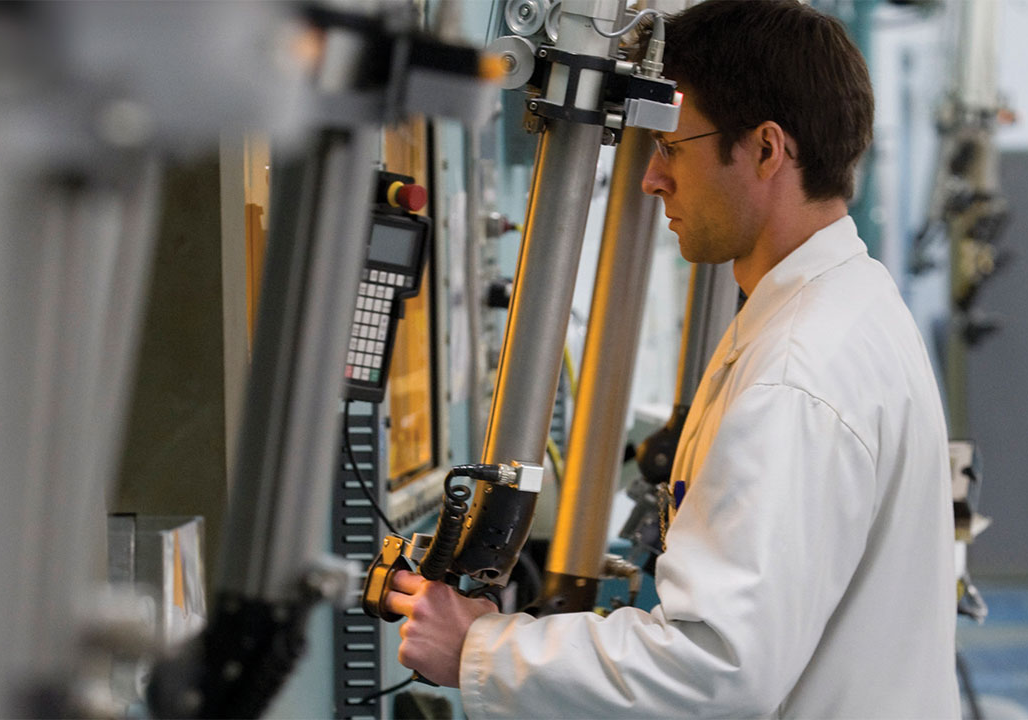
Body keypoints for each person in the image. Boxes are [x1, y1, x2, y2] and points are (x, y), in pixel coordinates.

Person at [384, 1, 959, 716]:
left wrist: (478, 651)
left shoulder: (796, 373)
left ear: (766, 150)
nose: (653, 179)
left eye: (673, 149)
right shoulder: (849, 306)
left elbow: (714, 670)